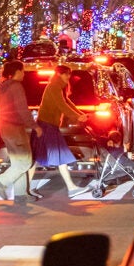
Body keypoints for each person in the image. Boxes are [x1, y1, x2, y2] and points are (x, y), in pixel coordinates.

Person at [35, 64, 88, 197]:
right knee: (59, 155)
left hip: (47, 126)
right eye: (66, 74)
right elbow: (62, 105)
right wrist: (78, 117)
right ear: (59, 74)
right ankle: (71, 188)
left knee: (38, 157)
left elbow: (67, 102)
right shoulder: (54, 87)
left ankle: (25, 188)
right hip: (47, 126)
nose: (69, 77)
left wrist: (80, 114)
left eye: (69, 74)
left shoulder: (58, 87)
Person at [0, 59, 38, 202]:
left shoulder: (3, 87)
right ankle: (1, 182)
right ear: (16, 72)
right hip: (16, 129)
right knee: (25, 163)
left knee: (17, 163)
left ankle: (21, 195)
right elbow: (22, 109)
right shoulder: (16, 86)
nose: (24, 74)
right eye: (22, 71)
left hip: (5, 128)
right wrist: (34, 126)